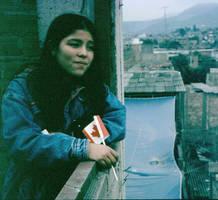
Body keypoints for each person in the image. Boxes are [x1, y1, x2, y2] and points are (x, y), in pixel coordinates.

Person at [1, 13, 126, 199]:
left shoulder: (93, 87)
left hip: (79, 183)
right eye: (74, 44)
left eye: (90, 47)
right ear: (53, 47)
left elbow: (117, 118)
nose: (84, 53)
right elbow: (21, 141)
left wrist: (81, 138)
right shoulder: (23, 88)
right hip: (32, 190)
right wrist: (80, 147)